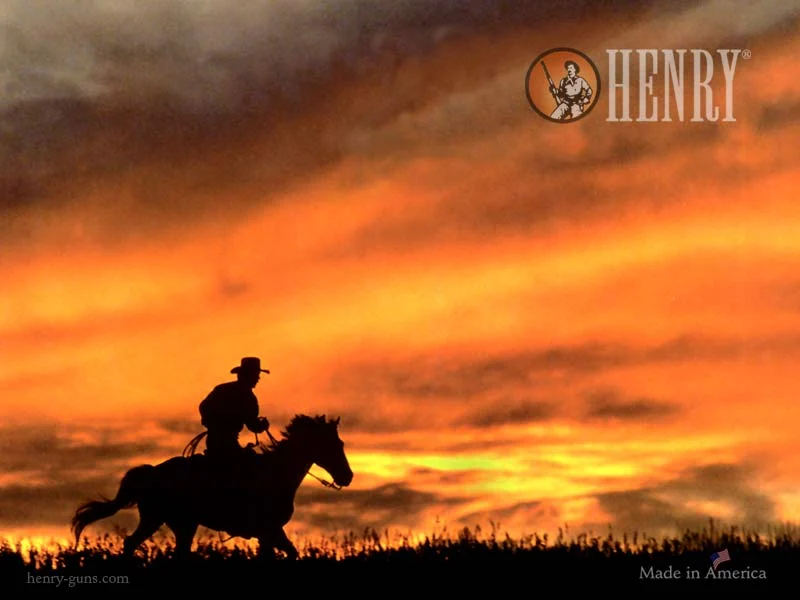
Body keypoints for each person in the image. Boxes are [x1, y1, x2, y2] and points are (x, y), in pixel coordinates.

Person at [199, 356, 271, 463]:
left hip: (213, 440)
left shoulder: (221, 389)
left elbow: (203, 406)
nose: (258, 379)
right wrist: (263, 425)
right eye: (256, 375)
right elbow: (253, 425)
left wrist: (210, 422)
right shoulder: (248, 398)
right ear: (249, 376)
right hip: (228, 443)